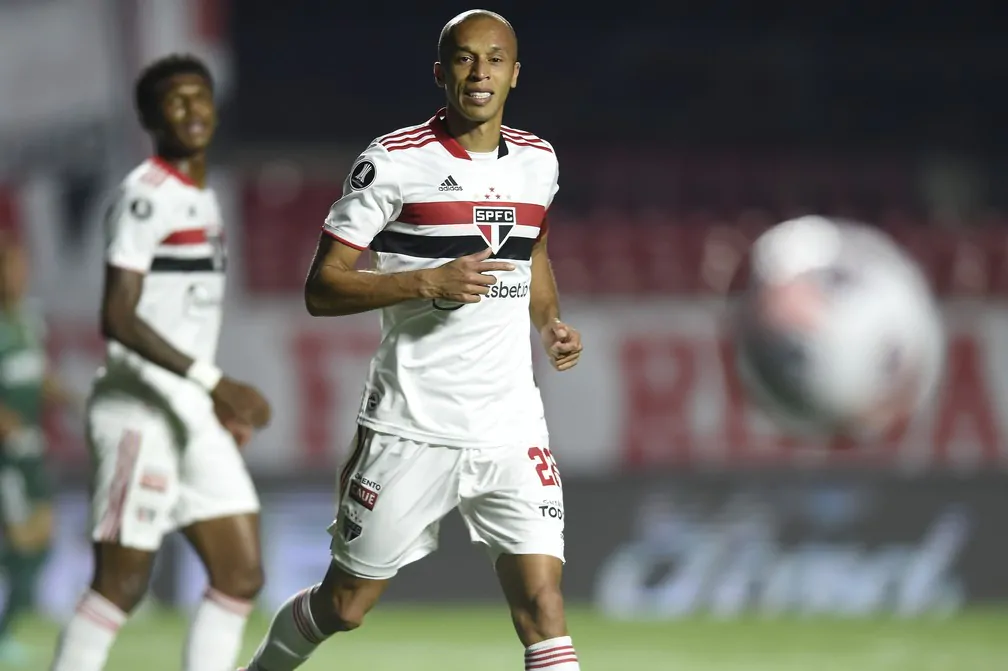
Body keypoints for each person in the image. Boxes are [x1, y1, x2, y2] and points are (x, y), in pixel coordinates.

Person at [241, 9, 584, 671]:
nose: (479, 72)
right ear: (440, 72)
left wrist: (549, 323)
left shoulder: (538, 161)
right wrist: (427, 281)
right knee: (345, 605)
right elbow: (322, 288)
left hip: (511, 427)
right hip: (412, 424)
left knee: (543, 606)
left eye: (494, 59)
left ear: (515, 73)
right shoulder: (393, 161)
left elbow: (534, 250)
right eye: (464, 58)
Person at [49, 54, 272, 671]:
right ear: (150, 118)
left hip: (189, 408)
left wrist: (206, 397)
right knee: (120, 584)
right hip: (138, 411)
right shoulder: (144, 198)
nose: (191, 111)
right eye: (175, 101)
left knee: (240, 573)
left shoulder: (204, 197)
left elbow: (182, 316)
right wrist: (213, 382)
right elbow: (117, 316)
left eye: (200, 97)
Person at [0, 236, 77, 666]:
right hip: (4, 457)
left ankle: (7, 630)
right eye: (10, 270)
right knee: (20, 540)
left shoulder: (29, 320)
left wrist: (72, 398)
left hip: (29, 449)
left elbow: (37, 374)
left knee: (41, 539)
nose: (18, 277)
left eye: (22, 269)